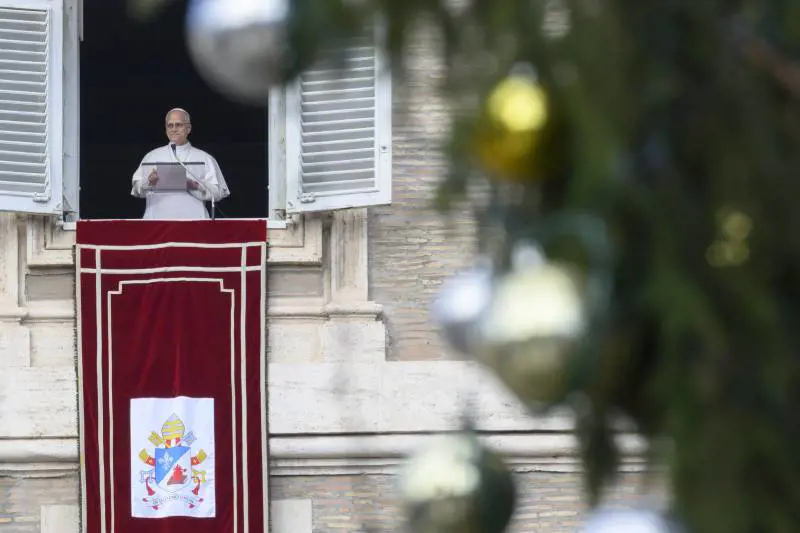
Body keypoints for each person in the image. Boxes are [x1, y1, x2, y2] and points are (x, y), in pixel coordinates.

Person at [131, 108, 230, 219]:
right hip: (158, 224)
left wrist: (193, 184)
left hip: (195, 223)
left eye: (178, 125)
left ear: (188, 128)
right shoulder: (151, 157)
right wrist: (149, 183)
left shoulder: (205, 158)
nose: (174, 129)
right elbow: (136, 190)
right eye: (170, 125)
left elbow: (218, 193)